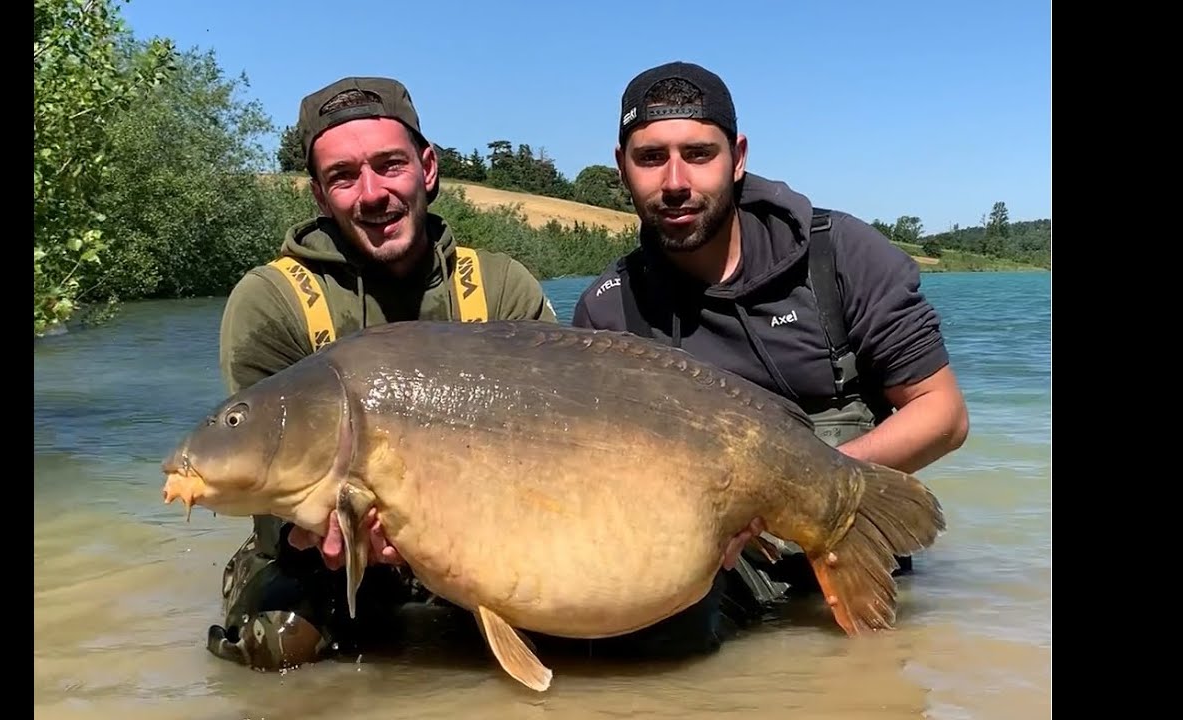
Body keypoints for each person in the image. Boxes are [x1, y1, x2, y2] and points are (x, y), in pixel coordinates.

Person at [572, 61, 970, 638]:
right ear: (622, 168)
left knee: (875, 677)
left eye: (700, 154)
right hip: (715, 558)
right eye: (651, 157)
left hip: (846, 533)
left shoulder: (840, 255)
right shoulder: (608, 310)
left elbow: (944, 415)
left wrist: (791, 486)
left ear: (738, 158)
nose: (676, 180)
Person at [206, 76, 559, 671]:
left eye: (390, 165)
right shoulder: (272, 300)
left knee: (601, 632)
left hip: (489, 531)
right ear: (319, 196)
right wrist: (306, 536)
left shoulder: (500, 287)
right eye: (343, 176)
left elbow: (557, 451)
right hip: (324, 551)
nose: (372, 193)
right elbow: (258, 479)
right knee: (278, 646)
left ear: (427, 168)